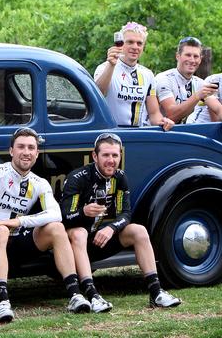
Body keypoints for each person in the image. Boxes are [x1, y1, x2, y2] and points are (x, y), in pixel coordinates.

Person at [0, 127, 91, 323]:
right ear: (11, 151)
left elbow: (55, 214)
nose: (26, 152)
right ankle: (3, 302)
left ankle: (75, 295)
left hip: (16, 241)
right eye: (20, 147)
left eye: (31, 147)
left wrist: (18, 221)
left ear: (37, 153)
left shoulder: (40, 183)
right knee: (0, 230)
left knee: (56, 228)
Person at [60, 133, 181, 311]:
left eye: (115, 155)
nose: (111, 160)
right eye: (106, 155)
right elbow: (64, 217)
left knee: (138, 231)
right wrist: (83, 212)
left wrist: (110, 228)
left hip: (99, 239)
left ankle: (157, 293)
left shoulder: (119, 178)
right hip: (72, 245)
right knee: (79, 232)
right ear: (95, 156)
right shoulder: (78, 178)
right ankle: (92, 295)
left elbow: (125, 214)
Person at [94, 21, 174, 131]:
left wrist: (163, 121)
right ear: (121, 44)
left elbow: (154, 113)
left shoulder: (147, 74)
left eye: (139, 43)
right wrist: (111, 65)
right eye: (130, 42)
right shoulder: (104, 68)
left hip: (137, 133)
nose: (135, 47)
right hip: (110, 133)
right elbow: (98, 96)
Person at [155, 36, 222, 137]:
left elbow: (218, 109)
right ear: (178, 56)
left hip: (186, 136)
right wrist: (198, 95)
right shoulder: (164, 78)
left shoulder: (200, 83)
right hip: (160, 135)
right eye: (188, 55)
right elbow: (172, 115)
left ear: (200, 59)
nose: (192, 60)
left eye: (196, 56)